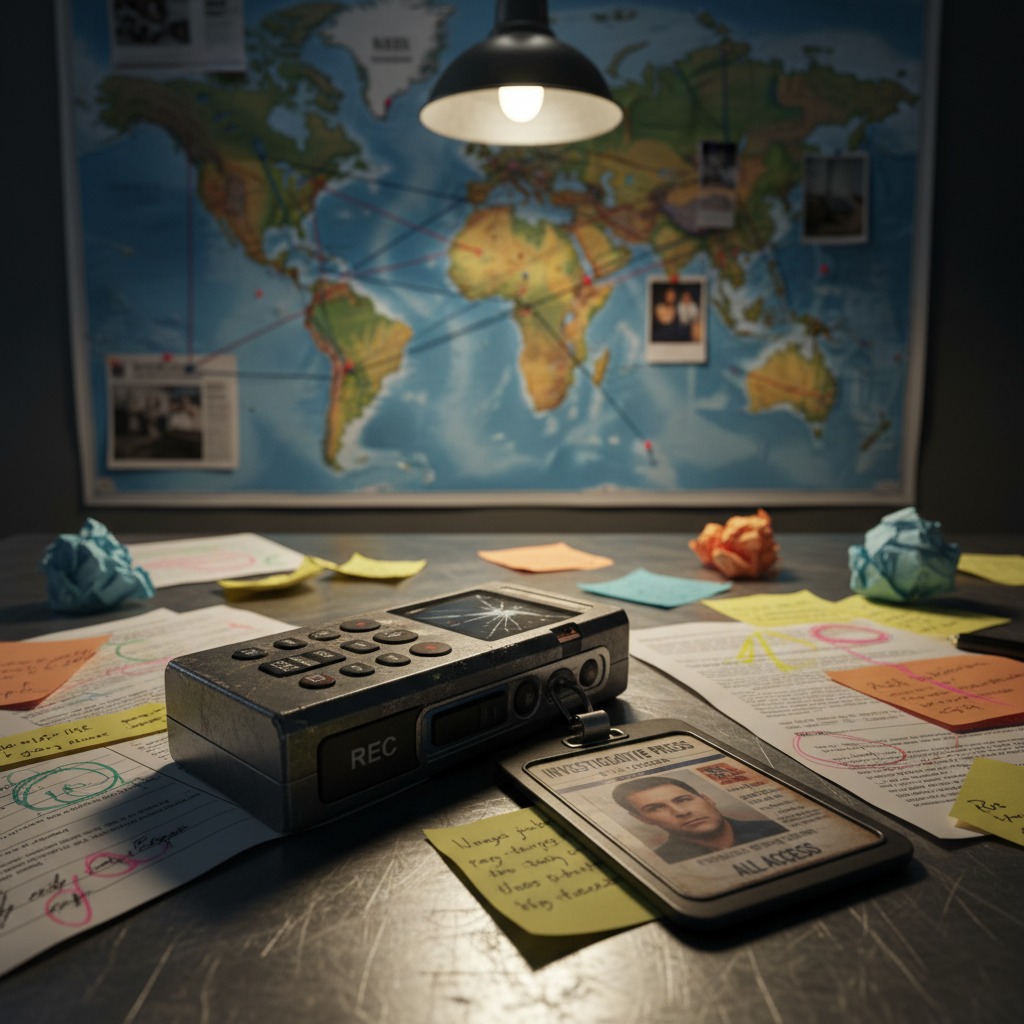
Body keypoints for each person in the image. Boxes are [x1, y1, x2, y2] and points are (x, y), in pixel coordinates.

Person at [612, 776, 786, 863]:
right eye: (656, 808)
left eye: (683, 800)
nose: (681, 812)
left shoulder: (777, 828)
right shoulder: (661, 861)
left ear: (707, 799)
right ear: (642, 819)